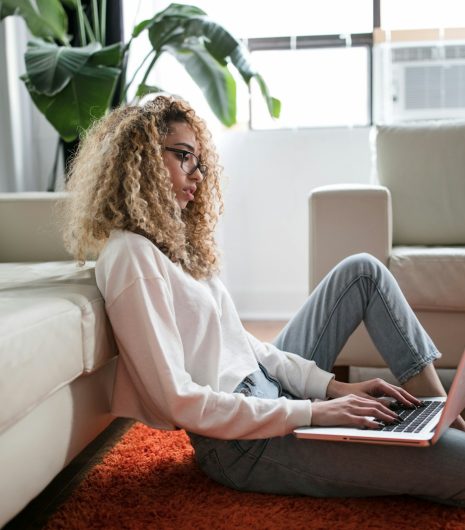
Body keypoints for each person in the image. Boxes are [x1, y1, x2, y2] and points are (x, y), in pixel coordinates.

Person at [62, 95, 465, 506]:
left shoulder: (173, 246)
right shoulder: (132, 256)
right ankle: (437, 433)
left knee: (362, 271)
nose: (197, 175)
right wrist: (311, 412)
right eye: (183, 156)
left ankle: (434, 414)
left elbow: (245, 345)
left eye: (198, 161)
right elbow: (177, 400)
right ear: (142, 157)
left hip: (270, 394)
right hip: (241, 445)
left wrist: (331, 387)